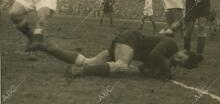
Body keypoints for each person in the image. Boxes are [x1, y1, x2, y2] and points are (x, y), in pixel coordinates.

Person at [34, 30, 200, 80]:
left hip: (126, 46)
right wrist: (166, 72)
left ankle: (50, 48)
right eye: (181, 58)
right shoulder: (171, 44)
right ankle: (79, 73)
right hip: (129, 41)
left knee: (88, 61)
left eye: (180, 64)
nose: (177, 60)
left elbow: (143, 66)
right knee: (122, 66)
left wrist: (153, 70)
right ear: (184, 51)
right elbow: (156, 55)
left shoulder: (168, 55)